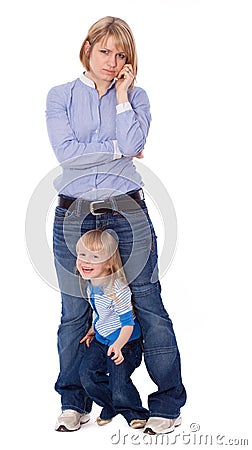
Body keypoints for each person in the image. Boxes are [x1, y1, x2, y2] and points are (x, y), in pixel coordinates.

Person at [46, 16, 186, 434]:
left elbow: (133, 145)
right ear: (88, 47)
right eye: (105, 50)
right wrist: (114, 150)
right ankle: (74, 401)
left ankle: (166, 403)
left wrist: (122, 97)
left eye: (121, 54)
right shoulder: (60, 96)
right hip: (74, 214)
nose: (112, 61)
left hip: (128, 211)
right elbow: (67, 155)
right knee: (74, 312)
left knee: (148, 304)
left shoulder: (137, 97)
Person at [76, 229, 149, 429]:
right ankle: (111, 404)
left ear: (109, 262)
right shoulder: (91, 283)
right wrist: (93, 328)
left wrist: (118, 345)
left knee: (119, 383)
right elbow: (101, 312)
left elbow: (127, 323)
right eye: (82, 255)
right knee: (87, 375)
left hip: (125, 341)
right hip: (102, 338)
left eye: (94, 257)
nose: (86, 261)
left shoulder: (117, 288)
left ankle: (135, 412)